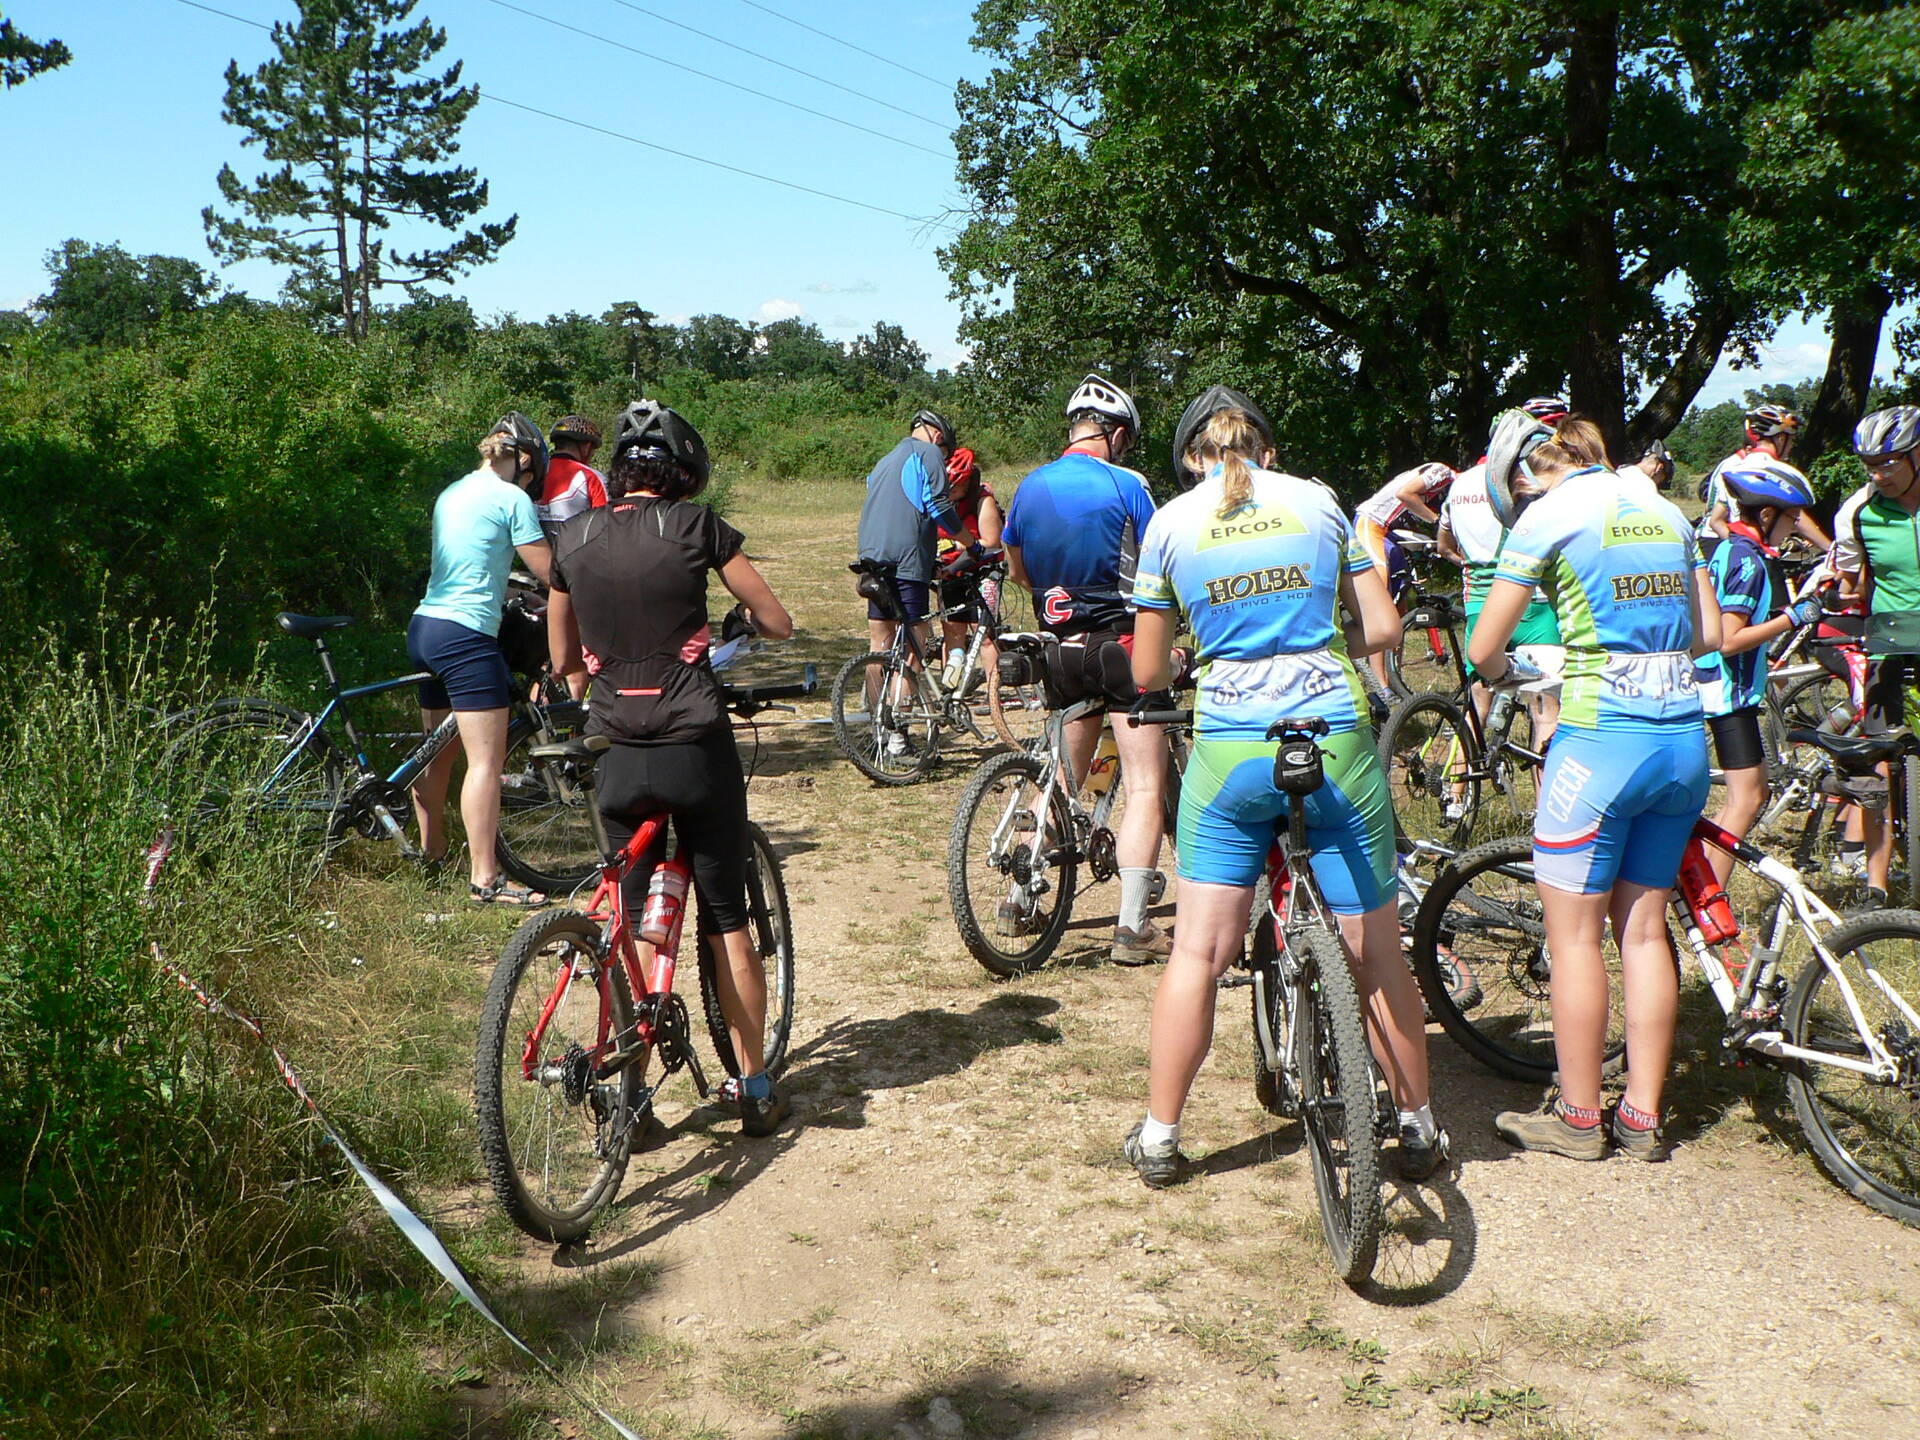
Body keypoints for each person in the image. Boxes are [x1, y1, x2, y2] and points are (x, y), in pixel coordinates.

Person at [1122, 386, 1449, 1187]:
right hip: (1331, 738)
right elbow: (1382, 628)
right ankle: (1417, 1127)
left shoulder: (1171, 522)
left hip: (1232, 751)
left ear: (1194, 458)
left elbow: (1147, 670)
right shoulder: (1321, 502)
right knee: (1378, 954)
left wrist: (1203, 659)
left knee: (1198, 952)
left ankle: (1161, 1138)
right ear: (1266, 449)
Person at [1468, 411, 1719, 1163]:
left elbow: (1483, 648)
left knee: (1573, 938)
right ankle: (1642, 1117)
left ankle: (1579, 1119)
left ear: (1525, 473)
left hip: (1600, 742)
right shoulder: (1664, 508)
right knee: (1642, 932)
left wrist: (1510, 674)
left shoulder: (1550, 514)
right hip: (1682, 741)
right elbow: (1706, 636)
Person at [545, 400, 797, 1136]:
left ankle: (631, 1097)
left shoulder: (572, 537)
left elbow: (563, 661)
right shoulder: (697, 525)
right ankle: (754, 1089)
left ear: (620, 471)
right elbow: (777, 621)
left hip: (616, 752)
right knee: (727, 920)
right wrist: (738, 630)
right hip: (693, 747)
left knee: (629, 925)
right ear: (682, 474)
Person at [1001, 374, 1170, 964]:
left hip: (1057, 648)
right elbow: (1160, 566)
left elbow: (1016, 568)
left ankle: (1017, 898)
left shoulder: (1030, 485)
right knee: (1145, 785)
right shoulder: (1128, 484)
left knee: (1062, 780)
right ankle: (1133, 928)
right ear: (1116, 434)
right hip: (1120, 646)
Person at [408, 412, 556, 907]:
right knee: (486, 764)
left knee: (437, 754)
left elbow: (471, 563)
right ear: (526, 463)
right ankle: (485, 879)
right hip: (466, 636)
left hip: (427, 626)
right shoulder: (511, 498)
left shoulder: (452, 492)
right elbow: (551, 573)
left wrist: (509, 593)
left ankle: (431, 856)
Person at [1698, 459, 1822, 885]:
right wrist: (1791, 618)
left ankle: (1703, 887)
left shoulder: (1730, 548)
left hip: (1722, 688)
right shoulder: (1748, 562)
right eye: (1792, 518)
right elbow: (1728, 639)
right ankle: (1708, 898)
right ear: (1767, 514)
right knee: (1747, 799)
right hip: (1727, 694)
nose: (1795, 528)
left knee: (1750, 794)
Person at [1437, 397, 1571, 748]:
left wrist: (1467, 564)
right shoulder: (1536, 481)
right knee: (1546, 711)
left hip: (1479, 600)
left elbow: (1444, 544)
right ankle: (1545, 785)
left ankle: (1457, 781)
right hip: (1531, 600)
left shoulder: (1460, 483)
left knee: (1476, 705)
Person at [1834, 405, 1920, 909]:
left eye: (1888, 462)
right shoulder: (1861, 511)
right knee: (1877, 763)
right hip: (1889, 639)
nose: (1879, 474)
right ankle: (1876, 884)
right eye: (1870, 465)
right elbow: (1854, 580)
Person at [855, 408, 981, 685]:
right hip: (906, 561)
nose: (943, 460)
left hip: (871, 558)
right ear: (938, 436)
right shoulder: (929, 453)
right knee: (915, 646)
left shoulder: (884, 461)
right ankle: (901, 708)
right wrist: (970, 543)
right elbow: (939, 505)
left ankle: (875, 711)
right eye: (946, 454)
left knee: (879, 644)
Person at [1351, 461, 1455, 691]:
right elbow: (1405, 494)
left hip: (1390, 533)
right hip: (1371, 524)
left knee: (1399, 610)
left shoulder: (1447, 490)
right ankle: (1380, 686)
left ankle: (1394, 681)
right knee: (1380, 606)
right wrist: (1438, 523)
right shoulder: (1443, 473)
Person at [1697, 403, 1831, 553]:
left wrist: (1739, 549)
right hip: (1751, 546)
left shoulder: (1733, 466)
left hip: (1727, 545)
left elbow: (1716, 519)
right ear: (1781, 438)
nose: (1791, 447)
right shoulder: (1774, 471)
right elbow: (1796, 515)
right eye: (1791, 441)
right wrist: (1830, 549)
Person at [935, 445, 1005, 689]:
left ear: (967, 483)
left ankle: (993, 692)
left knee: (984, 635)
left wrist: (953, 544)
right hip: (950, 572)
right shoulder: (941, 500)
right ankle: (951, 693)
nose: (950, 492)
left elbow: (991, 542)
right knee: (952, 634)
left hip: (982, 571)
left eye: (955, 487)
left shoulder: (982, 499)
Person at [535, 414, 608, 536]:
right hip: (576, 546)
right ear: (587, 447)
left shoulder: (534, 472)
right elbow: (606, 525)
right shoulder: (592, 477)